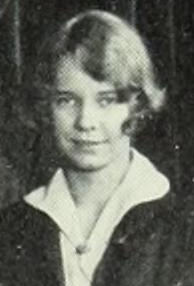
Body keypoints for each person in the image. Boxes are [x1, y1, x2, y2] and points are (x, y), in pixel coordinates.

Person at [0, 9, 178, 286]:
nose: (86, 121)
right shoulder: (12, 230)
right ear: (46, 107)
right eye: (66, 100)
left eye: (106, 100)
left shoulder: (182, 228)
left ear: (136, 106)